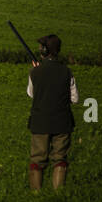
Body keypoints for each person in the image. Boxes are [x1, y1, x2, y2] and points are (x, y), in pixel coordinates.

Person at [27, 33, 78, 191]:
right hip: (62, 122)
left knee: (37, 159)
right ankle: (58, 194)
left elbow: (31, 93)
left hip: (40, 122)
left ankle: (36, 196)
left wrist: (37, 73)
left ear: (44, 50)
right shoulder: (66, 71)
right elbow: (75, 99)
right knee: (60, 158)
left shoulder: (34, 72)